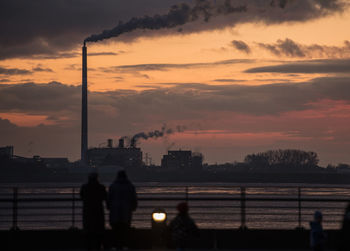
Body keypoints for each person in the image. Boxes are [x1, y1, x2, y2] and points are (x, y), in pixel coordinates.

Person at [108, 170, 137, 250]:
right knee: (125, 230)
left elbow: (109, 198)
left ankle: (116, 245)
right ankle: (124, 245)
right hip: (126, 211)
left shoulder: (113, 186)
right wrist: (133, 207)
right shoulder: (130, 186)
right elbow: (133, 198)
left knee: (116, 230)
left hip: (115, 212)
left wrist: (109, 207)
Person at [80, 172, 107, 250]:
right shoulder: (101, 187)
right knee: (99, 230)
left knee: (88, 230)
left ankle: (88, 246)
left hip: (87, 211)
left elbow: (81, 196)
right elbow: (105, 197)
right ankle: (98, 246)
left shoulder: (84, 187)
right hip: (98, 211)